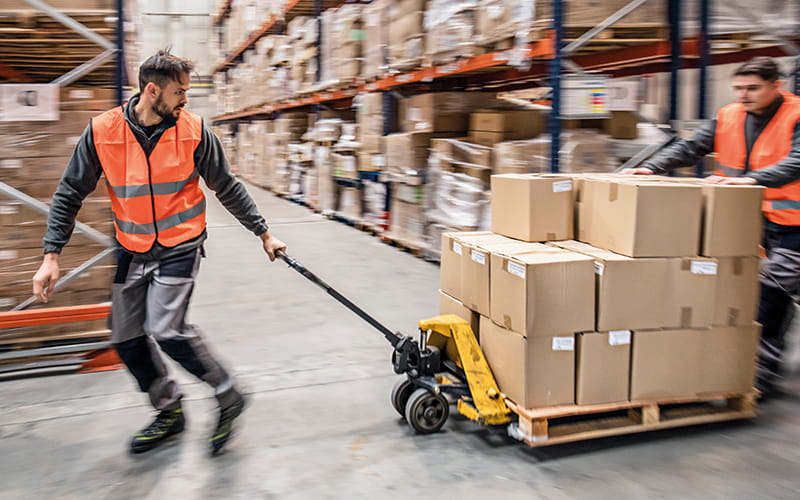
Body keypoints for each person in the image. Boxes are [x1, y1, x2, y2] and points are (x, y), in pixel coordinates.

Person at [32, 49, 287, 454]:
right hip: (132, 246)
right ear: (152, 91)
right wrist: (51, 254)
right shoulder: (103, 131)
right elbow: (69, 192)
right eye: (179, 92)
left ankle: (227, 393)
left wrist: (264, 232)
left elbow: (227, 185)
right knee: (126, 336)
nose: (185, 99)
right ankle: (169, 409)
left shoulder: (193, 130)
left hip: (180, 244)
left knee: (167, 329)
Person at [620, 56, 800, 398]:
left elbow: (797, 161)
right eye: (739, 88)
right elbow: (690, 147)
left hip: (794, 226)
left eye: (753, 88)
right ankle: (748, 362)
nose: (743, 95)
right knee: (753, 294)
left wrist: (753, 180)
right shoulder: (729, 115)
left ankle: (760, 373)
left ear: (777, 85)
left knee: (771, 296)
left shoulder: (797, 114)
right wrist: (652, 167)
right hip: (752, 223)